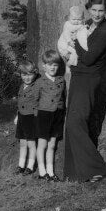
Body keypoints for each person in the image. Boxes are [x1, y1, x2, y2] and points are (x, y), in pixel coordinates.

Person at [63, 0, 106, 183]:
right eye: (93, 10)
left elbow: (88, 58)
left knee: (75, 122)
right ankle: (74, 172)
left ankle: (96, 168)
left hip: (89, 79)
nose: (97, 14)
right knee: (71, 121)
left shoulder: (105, 31)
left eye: (101, 10)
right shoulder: (84, 24)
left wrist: (73, 42)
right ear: (88, 9)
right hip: (77, 77)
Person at [34, 49, 67, 181]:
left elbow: (64, 97)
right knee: (42, 144)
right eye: (49, 65)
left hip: (57, 115)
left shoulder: (61, 80)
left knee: (52, 144)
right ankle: (42, 172)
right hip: (43, 115)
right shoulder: (39, 82)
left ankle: (51, 171)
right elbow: (35, 100)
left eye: (55, 65)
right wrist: (36, 116)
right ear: (44, 66)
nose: (53, 67)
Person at [14, 60, 39, 175]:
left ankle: (30, 166)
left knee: (31, 144)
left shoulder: (36, 87)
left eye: (30, 74)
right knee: (23, 143)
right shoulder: (21, 86)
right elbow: (20, 102)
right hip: (21, 117)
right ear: (20, 75)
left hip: (31, 118)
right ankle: (21, 165)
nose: (27, 78)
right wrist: (17, 115)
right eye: (24, 75)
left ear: (34, 73)